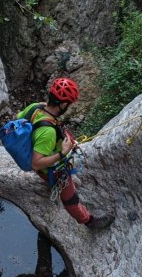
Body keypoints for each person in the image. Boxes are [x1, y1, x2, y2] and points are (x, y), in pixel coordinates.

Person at [17, 77, 114, 230]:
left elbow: (19, 118)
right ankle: (89, 221)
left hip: (36, 150)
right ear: (62, 104)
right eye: (68, 104)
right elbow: (36, 162)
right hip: (51, 169)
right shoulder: (48, 132)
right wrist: (63, 153)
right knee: (70, 198)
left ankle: (50, 184)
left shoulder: (36, 107)